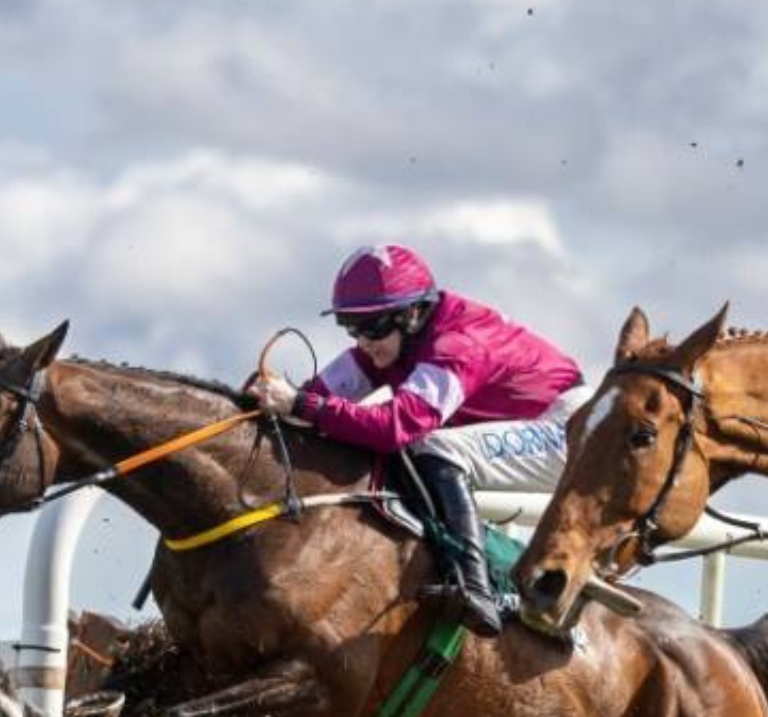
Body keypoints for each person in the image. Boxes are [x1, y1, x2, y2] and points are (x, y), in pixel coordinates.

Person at [250, 244, 589, 636]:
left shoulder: (457, 344)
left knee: (430, 446)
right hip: (528, 427)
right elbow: (311, 399)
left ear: (411, 313)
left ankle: (475, 588)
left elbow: (394, 428)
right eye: (351, 326)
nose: (362, 341)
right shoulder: (391, 341)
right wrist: (265, 397)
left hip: (572, 431)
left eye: (372, 326)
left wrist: (300, 404)